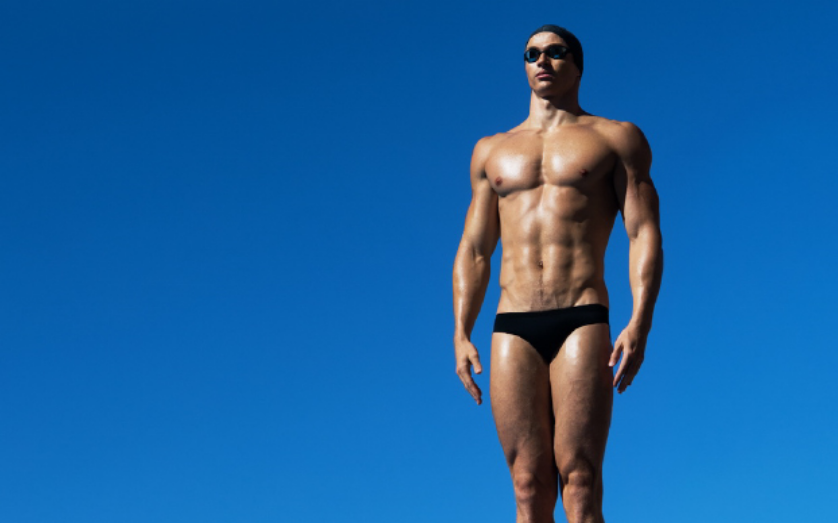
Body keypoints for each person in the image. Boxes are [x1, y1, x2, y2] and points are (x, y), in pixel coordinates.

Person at [452, 25, 663, 523]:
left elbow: (643, 233)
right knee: (528, 486)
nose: (542, 61)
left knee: (580, 480)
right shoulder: (491, 151)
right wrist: (460, 331)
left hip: (581, 315)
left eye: (555, 52)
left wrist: (640, 321)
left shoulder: (616, 137)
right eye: (532, 54)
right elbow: (476, 249)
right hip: (512, 322)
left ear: (577, 65)